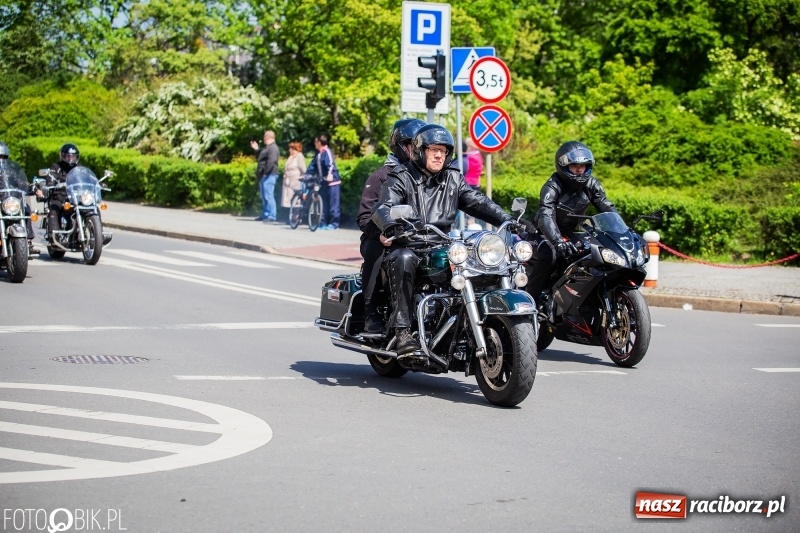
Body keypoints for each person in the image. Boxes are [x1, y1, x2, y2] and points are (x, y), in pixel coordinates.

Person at [371, 124, 515, 362]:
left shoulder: (453, 178)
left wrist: (508, 219)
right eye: (433, 150)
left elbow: (477, 201)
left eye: (444, 151)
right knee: (403, 259)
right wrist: (391, 224)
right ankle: (403, 332)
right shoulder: (401, 177)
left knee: (480, 262)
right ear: (420, 151)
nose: (439, 155)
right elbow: (383, 206)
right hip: (410, 245)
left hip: (442, 245)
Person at [356, 118, 425, 335]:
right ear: (400, 146)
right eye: (411, 145)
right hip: (381, 238)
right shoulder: (381, 176)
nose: (416, 150)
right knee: (376, 250)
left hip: (416, 238)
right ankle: (370, 313)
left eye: (420, 145)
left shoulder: (425, 177)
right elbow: (364, 216)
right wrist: (380, 234)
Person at [525, 141, 617, 303]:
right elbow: (546, 215)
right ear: (563, 166)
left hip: (569, 233)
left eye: (583, 165)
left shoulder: (592, 184)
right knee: (550, 255)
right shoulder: (552, 186)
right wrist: (557, 241)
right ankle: (529, 301)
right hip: (542, 233)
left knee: (591, 252)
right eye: (575, 165)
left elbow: (607, 207)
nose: (580, 169)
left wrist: (621, 231)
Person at [37, 143, 81, 244]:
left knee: (92, 208)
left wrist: (97, 183)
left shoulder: (79, 167)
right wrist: (51, 182)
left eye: (73, 156)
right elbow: (51, 175)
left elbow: (86, 177)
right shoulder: (56, 166)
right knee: (54, 210)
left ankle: (97, 234)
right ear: (63, 156)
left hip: (75, 196)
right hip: (60, 195)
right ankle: (54, 238)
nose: (71, 159)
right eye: (68, 156)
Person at [0, 142, 39, 255]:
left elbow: (19, 182)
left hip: (7, 200)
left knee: (26, 208)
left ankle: (28, 241)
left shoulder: (10, 171)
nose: (0, 160)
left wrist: (31, 187)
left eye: (3, 157)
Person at [306, 135, 340, 230]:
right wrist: (307, 175)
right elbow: (312, 166)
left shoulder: (327, 152)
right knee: (324, 204)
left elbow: (331, 164)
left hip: (332, 182)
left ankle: (334, 224)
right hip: (323, 182)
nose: (314, 144)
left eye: (315, 142)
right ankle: (322, 223)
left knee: (333, 204)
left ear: (319, 142)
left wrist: (330, 175)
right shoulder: (318, 154)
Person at [250, 130, 280, 223]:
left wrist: (266, 172)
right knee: (264, 196)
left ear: (267, 137)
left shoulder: (273, 148)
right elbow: (261, 157)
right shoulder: (268, 148)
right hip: (265, 175)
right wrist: (256, 149)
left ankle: (272, 215)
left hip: (269, 174)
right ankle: (265, 214)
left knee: (269, 195)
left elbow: (271, 161)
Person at [281, 141, 307, 212]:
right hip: (288, 182)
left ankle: (295, 215)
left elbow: (304, 170)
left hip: (295, 182)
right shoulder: (290, 157)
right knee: (287, 201)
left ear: (295, 149)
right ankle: (288, 214)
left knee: (295, 201)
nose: (289, 150)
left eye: (291, 149)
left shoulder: (299, 157)